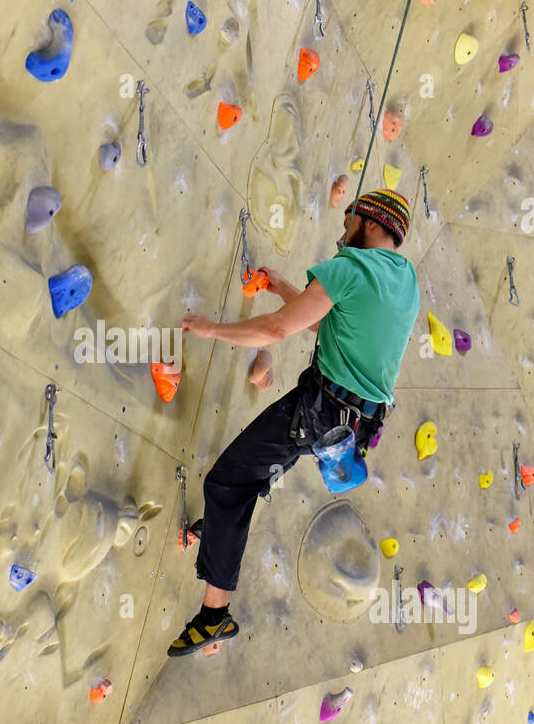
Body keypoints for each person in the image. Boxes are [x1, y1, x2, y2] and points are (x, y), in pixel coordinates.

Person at [170, 189, 420, 656]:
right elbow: (331, 326)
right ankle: (221, 535)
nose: (341, 231)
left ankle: (214, 615)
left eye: (349, 219)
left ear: (368, 221)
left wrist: (211, 329)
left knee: (227, 482)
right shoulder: (405, 281)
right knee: (259, 469)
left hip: (321, 409)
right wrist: (285, 287)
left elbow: (276, 330)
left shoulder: (349, 267)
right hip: (356, 427)